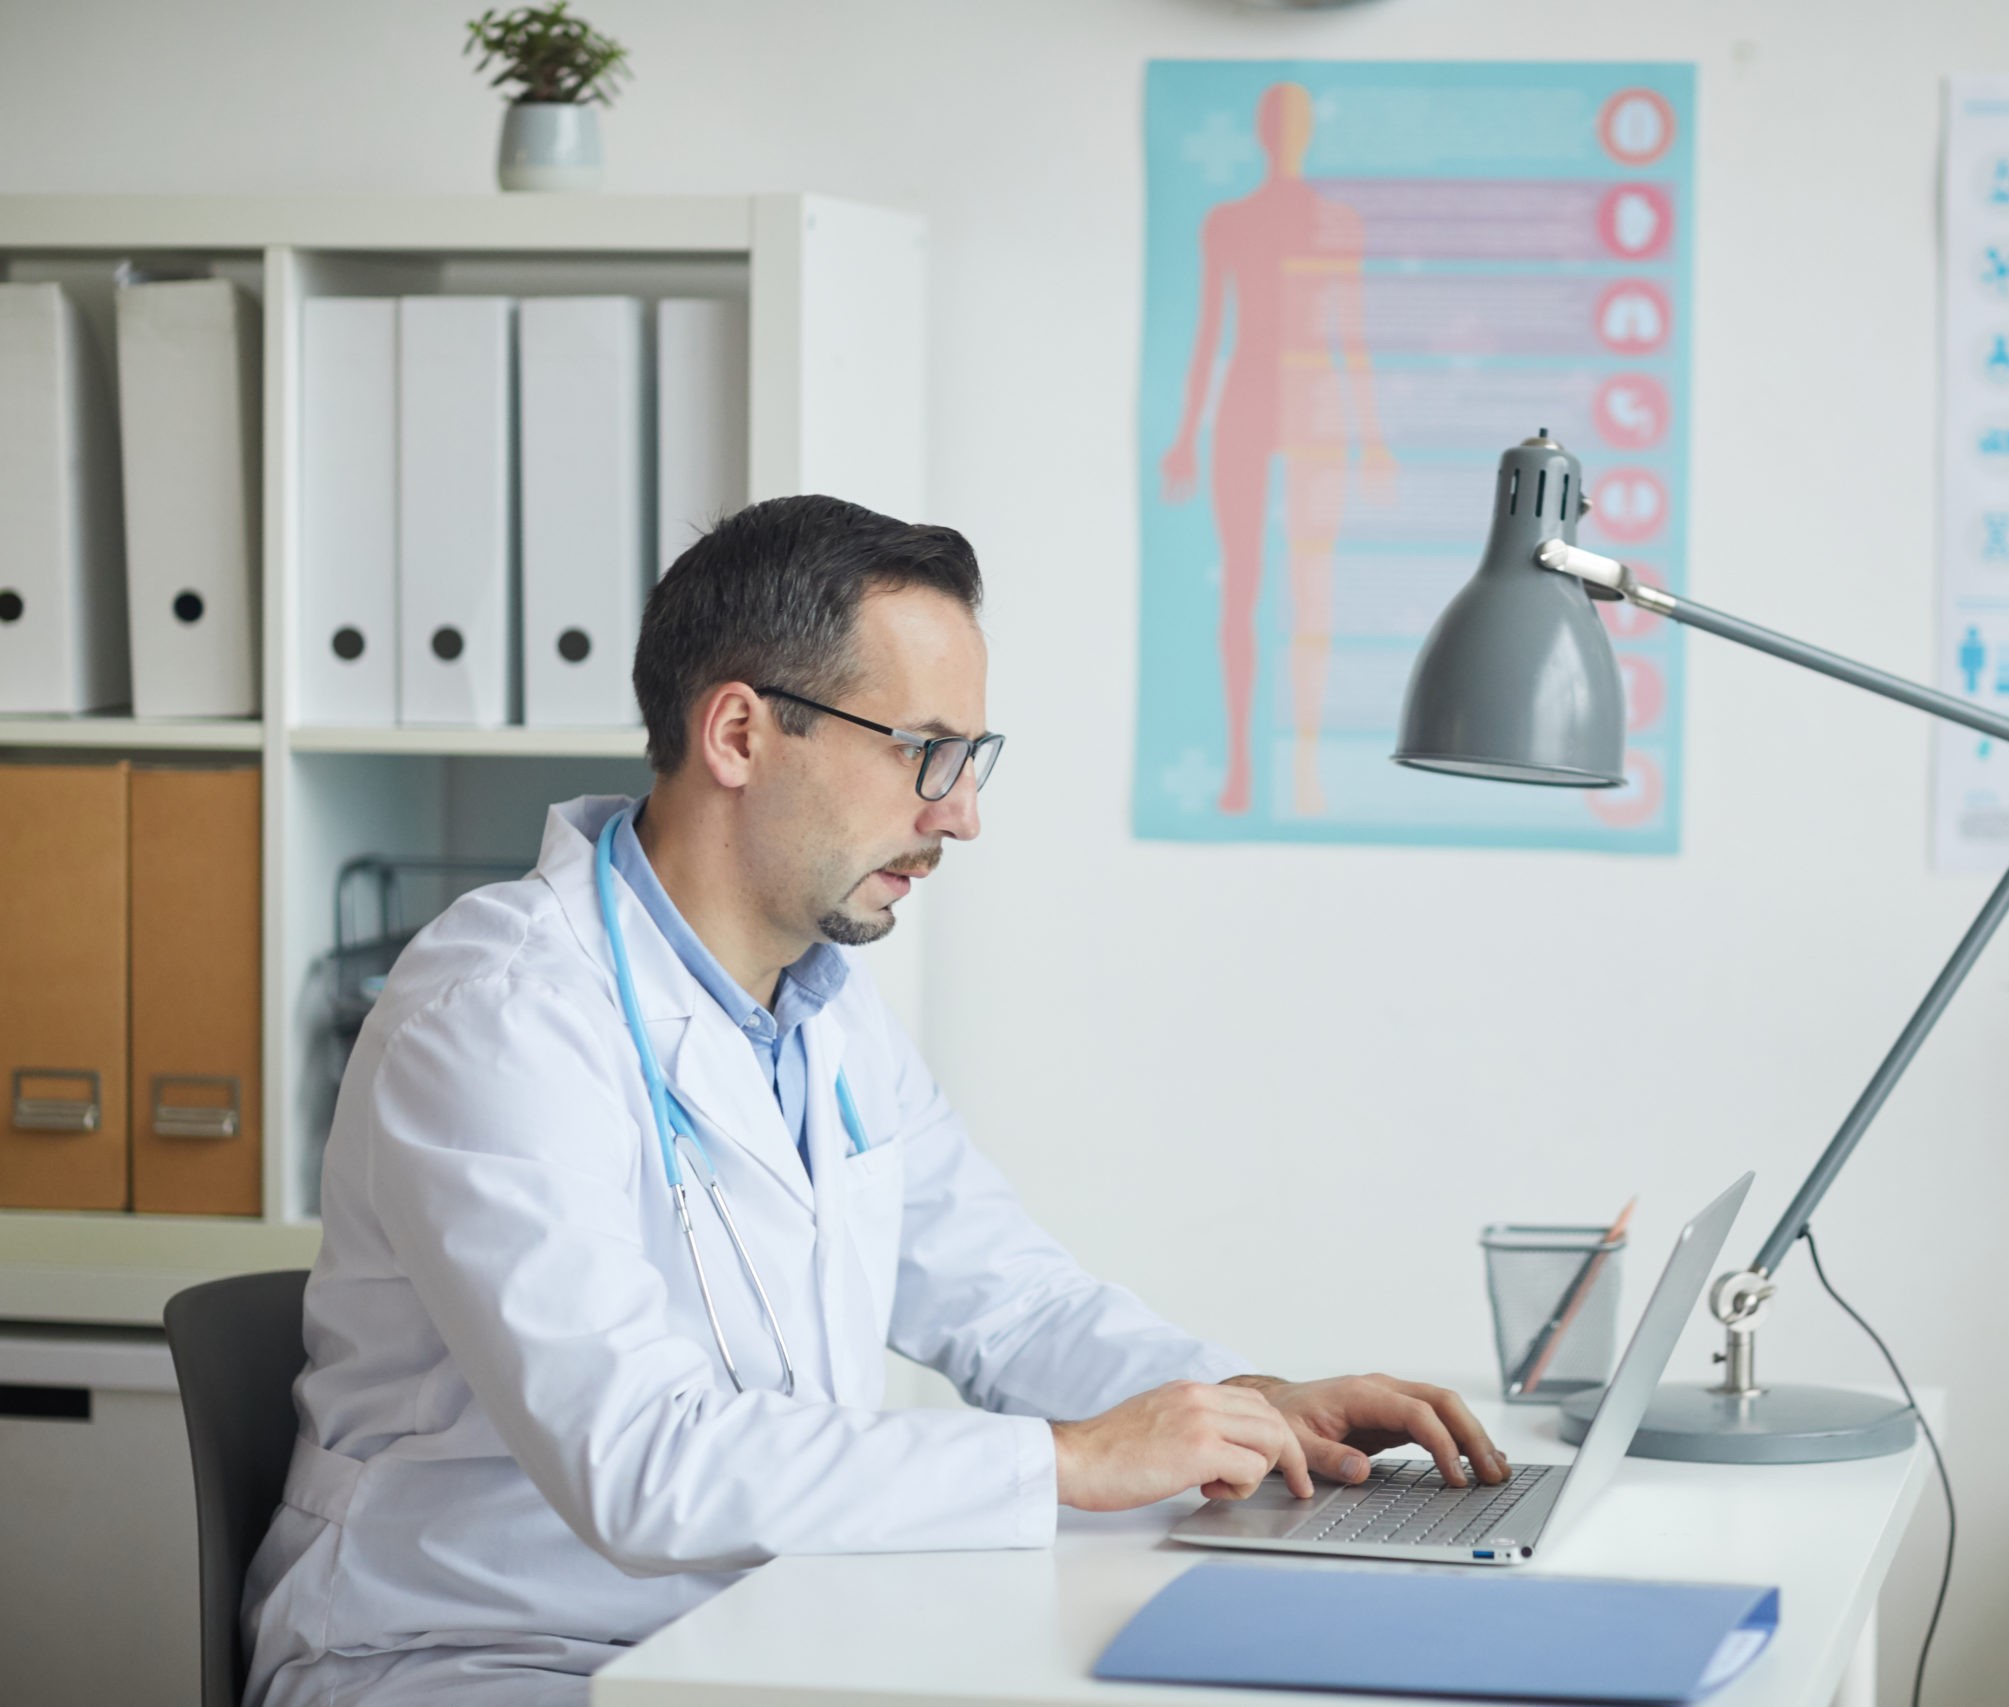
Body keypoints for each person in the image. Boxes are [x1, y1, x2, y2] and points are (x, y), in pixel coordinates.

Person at [241, 496, 1506, 1706]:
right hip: (480, 1653)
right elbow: (638, 1463)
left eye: (968, 758)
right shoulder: (500, 1009)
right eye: (922, 753)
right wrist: (1069, 1462)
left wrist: (1246, 1406)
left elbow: (1009, 1303)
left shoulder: (821, 1005)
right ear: (737, 734)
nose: (958, 814)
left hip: (756, 1631)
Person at [1159, 81, 1392, 818]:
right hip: (1247, 413)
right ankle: (1241, 765)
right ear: (1265, 131)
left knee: (1311, 597)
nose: (1286, 132)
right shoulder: (1228, 223)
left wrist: (1373, 438)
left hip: (1315, 413)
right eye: (1277, 120)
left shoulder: (1338, 223)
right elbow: (1208, 334)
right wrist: (1184, 439)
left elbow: (1351, 338)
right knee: (1244, 592)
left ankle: (1306, 768)